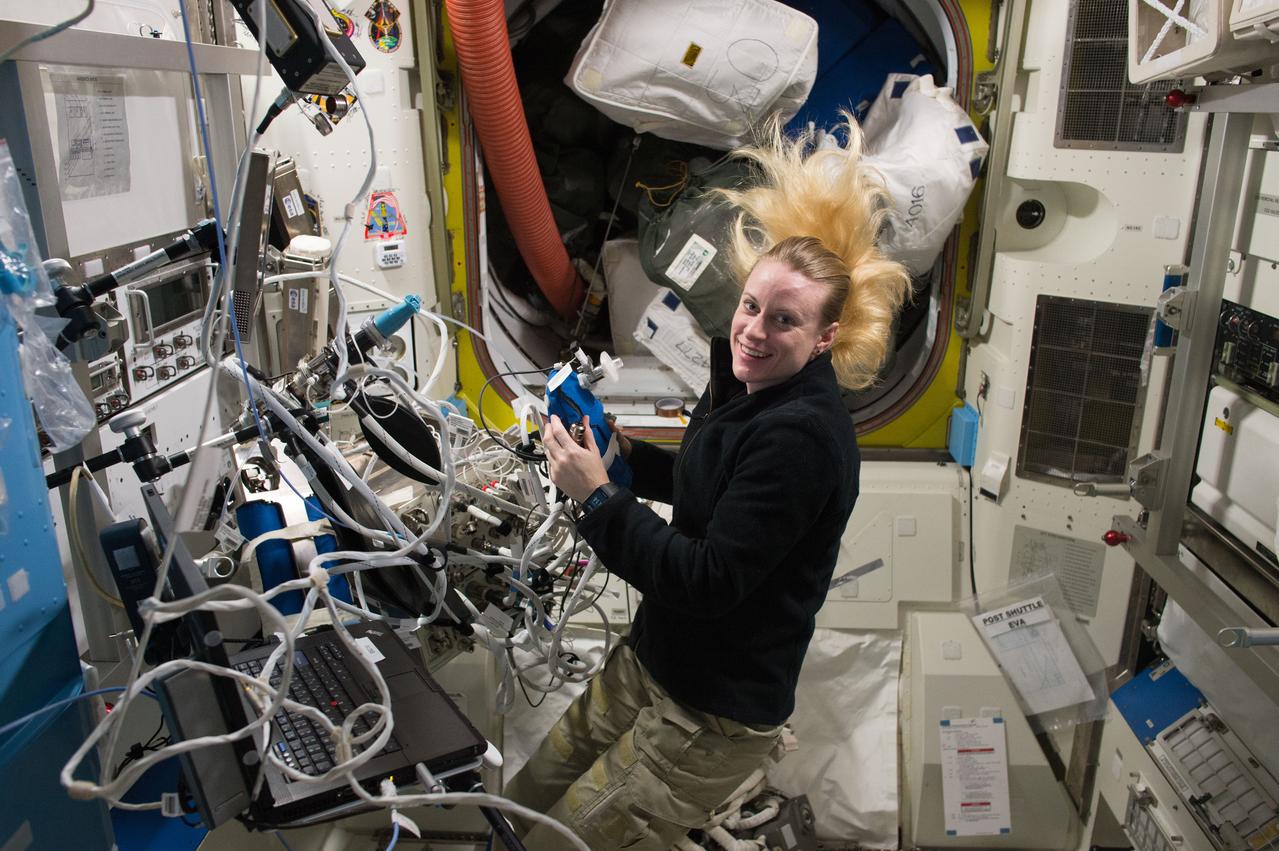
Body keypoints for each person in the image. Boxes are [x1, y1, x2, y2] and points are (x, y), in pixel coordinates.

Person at [504, 117, 912, 851]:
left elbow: (708, 580)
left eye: (783, 320)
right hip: (654, 660)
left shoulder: (802, 437)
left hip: (707, 715)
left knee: (559, 843)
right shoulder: (745, 383)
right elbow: (710, 478)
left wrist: (599, 498)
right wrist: (625, 455)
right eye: (751, 306)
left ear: (824, 337)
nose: (753, 330)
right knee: (521, 805)